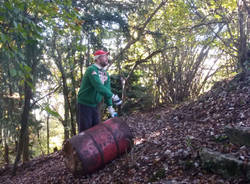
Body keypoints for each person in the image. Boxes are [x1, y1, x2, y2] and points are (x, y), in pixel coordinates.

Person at [77, 50, 122, 133]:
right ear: (97, 59)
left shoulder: (105, 74)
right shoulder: (91, 70)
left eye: (107, 56)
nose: (107, 58)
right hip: (84, 105)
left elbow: (107, 90)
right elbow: (98, 86)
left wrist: (110, 107)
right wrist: (114, 97)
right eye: (104, 56)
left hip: (95, 105)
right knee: (85, 132)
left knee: (96, 130)